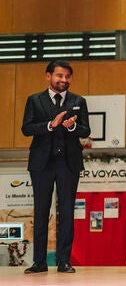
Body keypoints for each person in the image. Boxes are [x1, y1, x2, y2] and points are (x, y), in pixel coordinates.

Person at [21, 59, 91, 274]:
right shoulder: (34, 100)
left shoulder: (78, 100)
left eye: (67, 76)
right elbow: (26, 128)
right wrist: (50, 125)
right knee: (41, 212)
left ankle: (64, 261)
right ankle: (39, 262)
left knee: (67, 212)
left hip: (68, 163)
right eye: (60, 75)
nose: (64, 80)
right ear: (48, 76)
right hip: (41, 163)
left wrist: (72, 127)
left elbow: (86, 130)